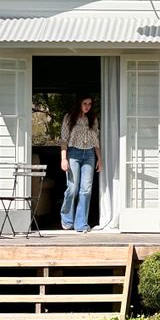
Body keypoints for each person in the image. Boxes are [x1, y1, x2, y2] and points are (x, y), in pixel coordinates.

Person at [59, 95, 102, 233]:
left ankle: (81, 223)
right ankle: (67, 220)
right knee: (72, 188)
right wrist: (63, 158)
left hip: (89, 155)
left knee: (86, 190)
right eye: (85, 103)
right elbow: (64, 140)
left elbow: (96, 141)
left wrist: (99, 158)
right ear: (79, 103)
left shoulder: (93, 119)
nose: (87, 106)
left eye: (89, 104)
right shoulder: (68, 117)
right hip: (73, 154)